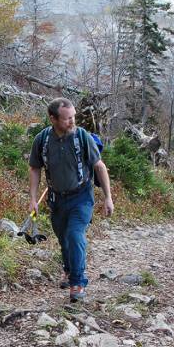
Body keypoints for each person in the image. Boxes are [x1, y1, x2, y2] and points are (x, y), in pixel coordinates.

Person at [29, 98, 113, 302]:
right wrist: (33, 198)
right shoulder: (42, 140)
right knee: (63, 239)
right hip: (56, 199)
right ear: (53, 119)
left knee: (75, 235)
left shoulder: (82, 137)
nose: (72, 121)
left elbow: (99, 166)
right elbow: (35, 168)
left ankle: (77, 282)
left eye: (74, 117)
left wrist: (108, 197)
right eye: (67, 118)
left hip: (81, 197)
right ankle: (68, 269)